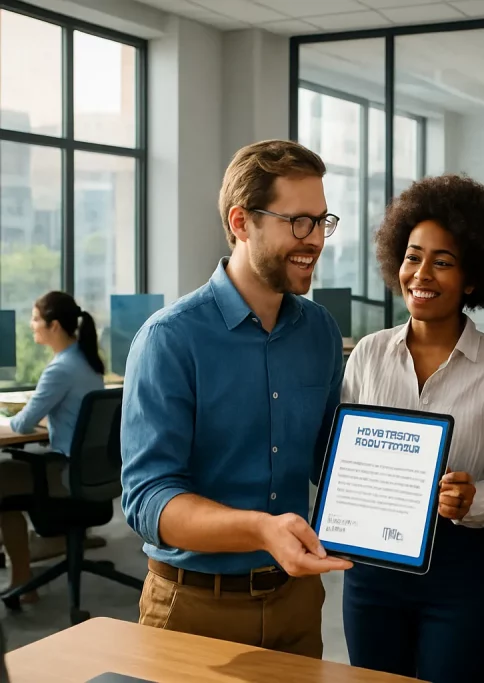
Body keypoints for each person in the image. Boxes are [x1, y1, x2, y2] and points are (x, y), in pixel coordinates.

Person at [120, 140, 352, 658]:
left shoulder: (320, 331)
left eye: (321, 221)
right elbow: (148, 500)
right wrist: (260, 530)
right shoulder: (169, 339)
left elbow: (329, 458)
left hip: (296, 601)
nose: (315, 240)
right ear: (242, 222)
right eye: (298, 222)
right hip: (194, 606)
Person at [340, 174, 484, 682]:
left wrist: (472, 500)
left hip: (460, 574)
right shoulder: (368, 354)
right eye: (413, 257)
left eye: (443, 262)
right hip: (372, 574)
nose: (421, 274)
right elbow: (341, 458)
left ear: (471, 278)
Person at [2, 292, 105, 602]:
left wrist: (12, 417)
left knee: (2, 479)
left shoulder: (61, 369)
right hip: (93, 472)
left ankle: (23, 580)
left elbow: (21, 425)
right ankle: (43, 554)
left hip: (66, 474)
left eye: (36, 319)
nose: (31, 325)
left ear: (54, 326)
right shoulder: (87, 362)